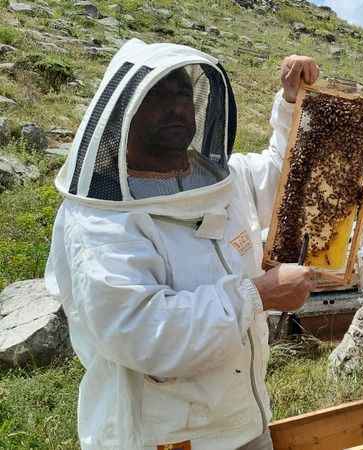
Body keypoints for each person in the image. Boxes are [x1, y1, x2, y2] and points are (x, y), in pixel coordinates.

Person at [44, 38, 319, 449]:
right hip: (161, 439)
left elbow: (285, 180)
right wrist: (257, 296)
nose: (175, 106)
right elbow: (145, 333)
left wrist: (292, 102)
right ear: (125, 110)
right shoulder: (100, 220)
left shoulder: (221, 181)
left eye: (182, 93)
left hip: (244, 423)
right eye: (157, 95)